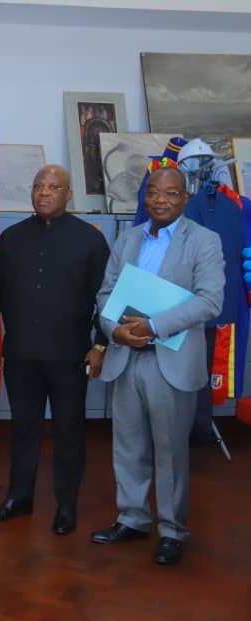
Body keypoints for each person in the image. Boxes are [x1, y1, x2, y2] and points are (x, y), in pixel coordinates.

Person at [90, 166, 224, 566]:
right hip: (126, 356)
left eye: (170, 193)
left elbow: (210, 300)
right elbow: (106, 293)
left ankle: (172, 530)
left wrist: (154, 325)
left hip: (171, 358)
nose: (160, 200)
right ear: (144, 197)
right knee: (128, 446)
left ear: (185, 198)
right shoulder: (128, 238)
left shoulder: (204, 241)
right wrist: (114, 331)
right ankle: (132, 519)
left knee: (170, 451)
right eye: (153, 193)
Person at [0, 164, 110, 535]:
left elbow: (109, 299)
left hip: (70, 356)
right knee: (23, 430)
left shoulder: (90, 240)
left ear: (69, 195)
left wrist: (100, 344)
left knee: (69, 433)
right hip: (21, 355)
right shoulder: (11, 238)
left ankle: (66, 507)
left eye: (54, 187)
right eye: (39, 186)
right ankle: (19, 498)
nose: (45, 192)